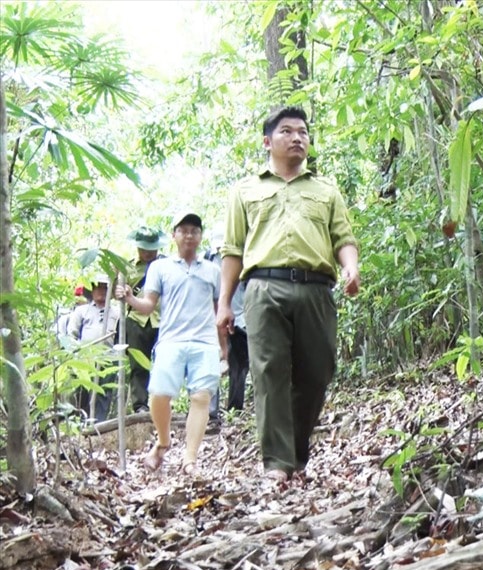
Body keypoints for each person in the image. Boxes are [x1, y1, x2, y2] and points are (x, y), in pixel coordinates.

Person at [217, 105, 360, 483]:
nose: (297, 138)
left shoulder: (326, 190)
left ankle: (294, 451)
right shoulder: (245, 191)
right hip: (263, 288)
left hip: (315, 288)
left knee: (319, 370)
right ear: (267, 141)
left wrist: (352, 266)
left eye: (302, 132)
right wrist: (223, 305)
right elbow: (232, 249)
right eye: (286, 131)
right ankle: (277, 464)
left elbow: (343, 238)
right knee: (269, 373)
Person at [115, 212, 223, 476]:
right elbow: (149, 304)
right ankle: (163, 442)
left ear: (200, 237)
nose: (189, 235)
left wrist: (224, 349)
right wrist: (129, 298)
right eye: (183, 230)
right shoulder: (160, 268)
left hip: (205, 342)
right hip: (171, 340)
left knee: (200, 397)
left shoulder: (213, 270)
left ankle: (190, 459)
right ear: (174, 235)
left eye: (194, 231)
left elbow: (219, 309)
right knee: (159, 395)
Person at [205, 233, 250, 431]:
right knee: (214, 363)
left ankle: (233, 410)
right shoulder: (206, 260)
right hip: (214, 319)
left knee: (238, 367)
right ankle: (211, 413)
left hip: (239, 319)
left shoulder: (246, 258)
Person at [124, 226, 170, 414]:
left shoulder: (169, 265)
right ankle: (140, 405)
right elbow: (113, 295)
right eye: (144, 249)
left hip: (164, 320)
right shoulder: (127, 268)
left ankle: (163, 403)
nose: (148, 253)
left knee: (165, 364)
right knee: (138, 365)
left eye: (152, 249)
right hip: (136, 320)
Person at [67, 276, 121, 421]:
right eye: (97, 287)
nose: (101, 291)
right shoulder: (82, 311)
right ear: (91, 290)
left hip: (108, 357)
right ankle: (80, 422)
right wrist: (76, 353)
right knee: (82, 391)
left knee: (104, 392)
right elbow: (71, 334)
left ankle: (99, 423)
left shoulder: (116, 313)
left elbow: (121, 336)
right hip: (85, 357)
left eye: (104, 287)